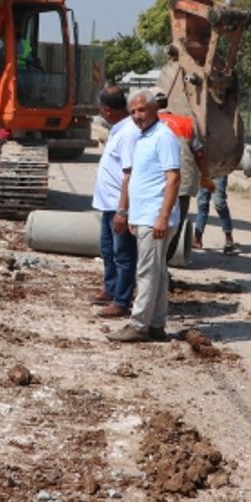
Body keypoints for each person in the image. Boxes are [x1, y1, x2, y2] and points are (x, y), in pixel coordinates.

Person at [108, 88, 181, 343]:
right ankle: (157, 325)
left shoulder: (163, 137)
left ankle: (138, 325)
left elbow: (173, 179)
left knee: (146, 272)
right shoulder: (144, 137)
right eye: (133, 112)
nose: (137, 115)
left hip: (155, 218)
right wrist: (132, 216)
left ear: (154, 110)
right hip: (145, 217)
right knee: (158, 273)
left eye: (142, 110)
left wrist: (161, 217)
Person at [91, 85, 138, 317]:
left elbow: (129, 174)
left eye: (101, 109)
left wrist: (123, 210)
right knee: (108, 250)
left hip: (118, 206)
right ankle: (110, 289)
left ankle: (122, 300)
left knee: (123, 255)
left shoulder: (128, 132)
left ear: (107, 110)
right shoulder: (119, 129)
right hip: (108, 204)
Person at [154, 86, 215, 261]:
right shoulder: (186, 124)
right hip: (182, 184)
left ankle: (152, 266)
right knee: (175, 226)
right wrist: (206, 176)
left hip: (154, 185)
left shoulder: (148, 124)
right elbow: (200, 153)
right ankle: (164, 264)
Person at [194, 174, 238, 254]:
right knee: (202, 204)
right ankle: (197, 238)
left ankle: (229, 239)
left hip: (220, 171)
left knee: (220, 204)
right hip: (205, 170)